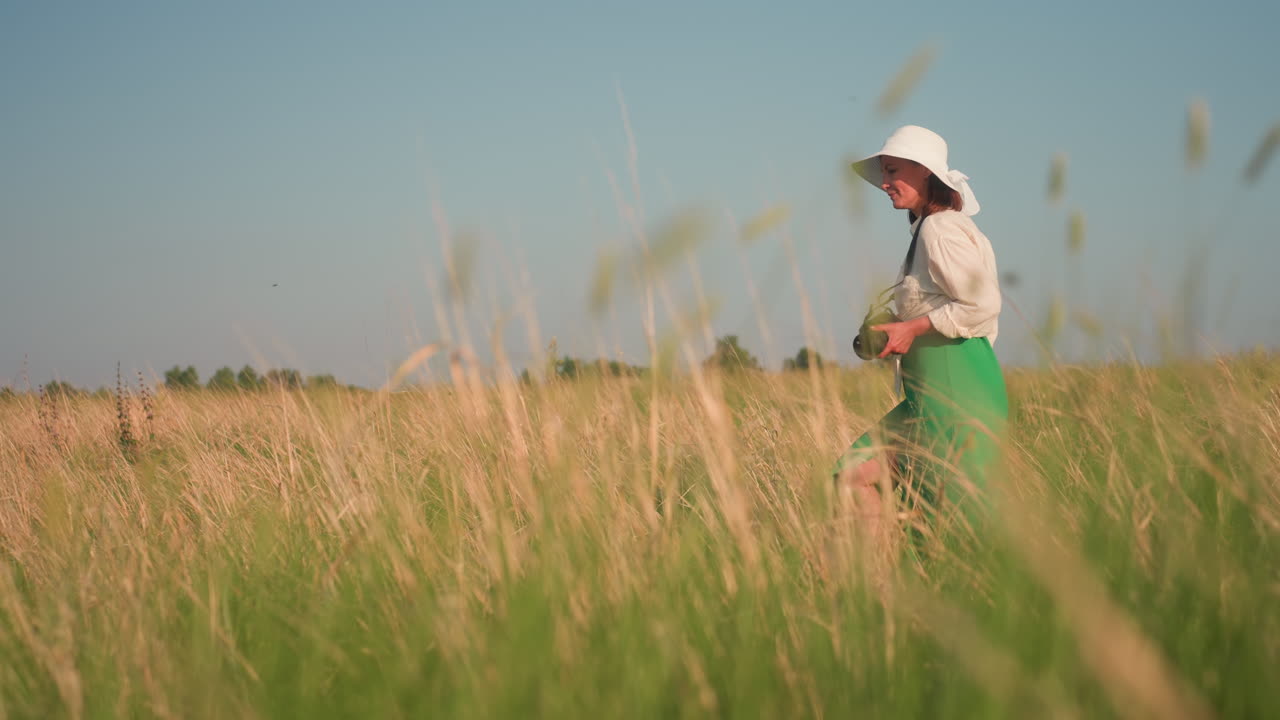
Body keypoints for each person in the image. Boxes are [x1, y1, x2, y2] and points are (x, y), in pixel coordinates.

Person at [833, 125, 1008, 546]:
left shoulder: (940, 230)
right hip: (934, 387)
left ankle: (905, 598)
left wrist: (913, 327)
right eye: (884, 174)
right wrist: (898, 324)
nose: (886, 184)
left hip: (955, 385)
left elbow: (983, 305)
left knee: (946, 519)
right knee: (855, 476)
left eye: (892, 171)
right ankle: (878, 593)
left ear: (925, 172)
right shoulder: (933, 230)